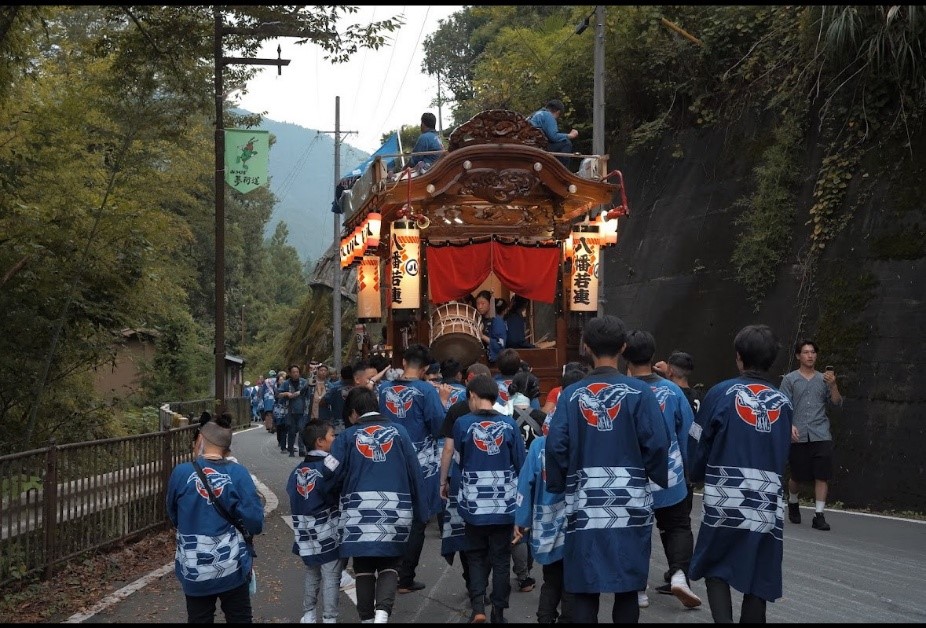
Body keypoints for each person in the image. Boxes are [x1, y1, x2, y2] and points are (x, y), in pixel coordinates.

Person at [545, 315, 670, 624]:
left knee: (585, 586)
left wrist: (559, 483)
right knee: (627, 585)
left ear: (585, 348)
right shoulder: (641, 393)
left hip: (584, 502)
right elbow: (657, 444)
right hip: (630, 502)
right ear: (623, 347)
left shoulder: (571, 395)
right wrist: (655, 477)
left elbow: (556, 446)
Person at [687, 324, 794, 623]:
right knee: (759, 571)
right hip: (767, 499)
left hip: (725, 495)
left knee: (715, 563)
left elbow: (697, 440)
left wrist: (694, 473)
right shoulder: (784, 403)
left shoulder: (721, 393)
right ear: (772, 360)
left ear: (739, 357)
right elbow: (784, 451)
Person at [326, 386, 428, 624]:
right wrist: (421, 512)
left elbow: (330, 473)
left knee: (363, 565)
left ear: (353, 412)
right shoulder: (400, 432)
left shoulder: (347, 437)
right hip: (396, 509)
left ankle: (366, 618)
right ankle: (383, 613)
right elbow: (416, 474)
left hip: (358, 512)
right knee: (390, 562)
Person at [622, 330, 701, 610]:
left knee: (633, 530)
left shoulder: (622, 391)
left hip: (631, 477)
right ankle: (679, 574)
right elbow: (688, 433)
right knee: (677, 526)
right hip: (669, 474)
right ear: (654, 356)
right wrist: (685, 467)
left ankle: (637, 589)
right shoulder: (673, 392)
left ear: (624, 354)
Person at [167, 415, 264, 623]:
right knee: (240, 618)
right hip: (231, 565)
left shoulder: (181, 473)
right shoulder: (238, 473)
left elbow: (173, 514)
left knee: (199, 618)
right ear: (227, 450)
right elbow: (255, 521)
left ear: (200, 440)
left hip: (194, 566)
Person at [449, 374, 527, 623]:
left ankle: (478, 608)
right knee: (502, 559)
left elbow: (458, 463)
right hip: (504, 505)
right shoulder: (509, 425)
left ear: (472, 395)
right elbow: (520, 466)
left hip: (473, 505)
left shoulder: (462, 423)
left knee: (475, 557)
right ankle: (498, 612)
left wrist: (453, 493)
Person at [377, 344, 447, 595]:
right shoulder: (427, 390)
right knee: (418, 518)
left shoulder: (384, 390)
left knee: (390, 512)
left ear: (404, 361)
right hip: (420, 461)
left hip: (388, 458)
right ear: (426, 368)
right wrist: (442, 402)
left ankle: (387, 570)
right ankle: (405, 577)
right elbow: (439, 425)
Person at [514, 376, 581, 625]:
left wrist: (521, 521)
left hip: (546, 521)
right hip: (576, 521)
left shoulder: (539, 446)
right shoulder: (583, 444)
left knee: (551, 578)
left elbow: (525, 483)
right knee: (573, 581)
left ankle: (545, 618)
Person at [437, 362, 494, 594]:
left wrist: (443, 480)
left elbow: (448, 449)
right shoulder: (499, 412)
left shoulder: (457, 411)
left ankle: (472, 580)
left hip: (462, 478)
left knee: (462, 531)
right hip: (493, 480)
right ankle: (482, 581)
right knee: (491, 534)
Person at [780, 339, 843, 531]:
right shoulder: (789, 379)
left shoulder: (824, 380)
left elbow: (837, 403)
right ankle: (792, 500)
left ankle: (819, 515)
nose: (810, 355)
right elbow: (782, 406)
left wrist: (833, 385)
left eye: (813, 352)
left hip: (821, 433)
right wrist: (789, 426)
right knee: (797, 477)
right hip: (798, 434)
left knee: (822, 475)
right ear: (799, 356)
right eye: (806, 352)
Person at [288, 419, 343, 624]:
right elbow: (335, 491)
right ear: (320, 441)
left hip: (304, 530)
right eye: (332, 435)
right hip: (326, 527)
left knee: (312, 571)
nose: (335, 439)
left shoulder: (297, 470)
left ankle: (308, 613)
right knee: (331, 575)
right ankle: (329, 617)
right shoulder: (329, 466)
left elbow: (291, 494)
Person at [528, 99, 578, 168]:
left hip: (528, 144)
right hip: (537, 147)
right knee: (566, 143)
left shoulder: (535, 114)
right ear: (558, 112)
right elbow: (553, 136)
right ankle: (561, 171)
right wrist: (570, 135)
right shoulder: (548, 115)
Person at [278, 364, 311, 457]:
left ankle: (301, 449)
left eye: (297, 372)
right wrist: (286, 393)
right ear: (290, 373)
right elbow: (278, 394)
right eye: (293, 372)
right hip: (290, 411)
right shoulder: (286, 383)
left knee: (302, 429)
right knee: (291, 431)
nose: (296, 374)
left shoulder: (304, 382)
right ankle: (291, 449)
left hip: (303, 410)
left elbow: (308, 394)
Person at [475, 290, 507, 364]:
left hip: (493, 363)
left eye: (483, 303)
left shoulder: (497, 321)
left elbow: (500, 345)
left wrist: (482, 336)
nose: (480, 307)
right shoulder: (478, 319)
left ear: (490, 304)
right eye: (478, 304)